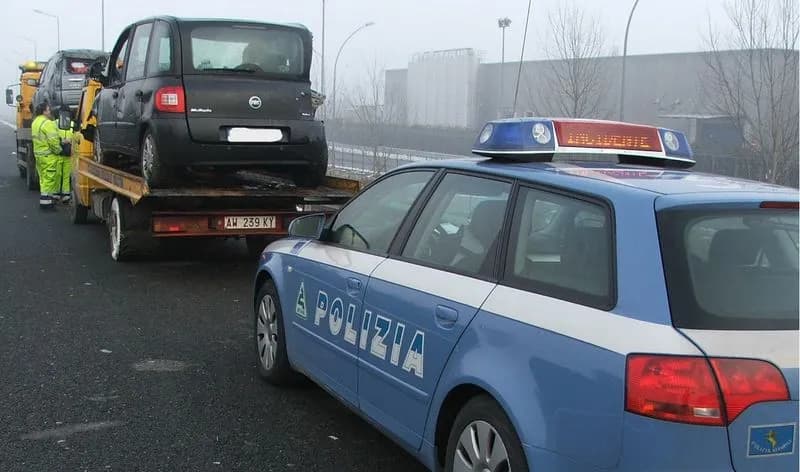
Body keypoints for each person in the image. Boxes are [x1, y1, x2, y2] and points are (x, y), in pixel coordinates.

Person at [31, 102, 62, 209]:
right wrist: (59, 150)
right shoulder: (47, 123)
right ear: (44, 111)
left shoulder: (35, 122)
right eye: (48, 110)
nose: (50, 111)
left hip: (39, 155)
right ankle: (46, 202)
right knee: (50, 177)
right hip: (48, 156)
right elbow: (53, 140)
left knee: (43, 178)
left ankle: (46, 198)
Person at [54, 105, 74, 203]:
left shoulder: (73, 124)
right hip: (58, 153)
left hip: (68, 154)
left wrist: (71, 140)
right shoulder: (55, 124)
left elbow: (77, 136)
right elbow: (52, 137)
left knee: (66, 174)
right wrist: (61, 141)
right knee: (57, 174)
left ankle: (66, 193)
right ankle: (56, 193)